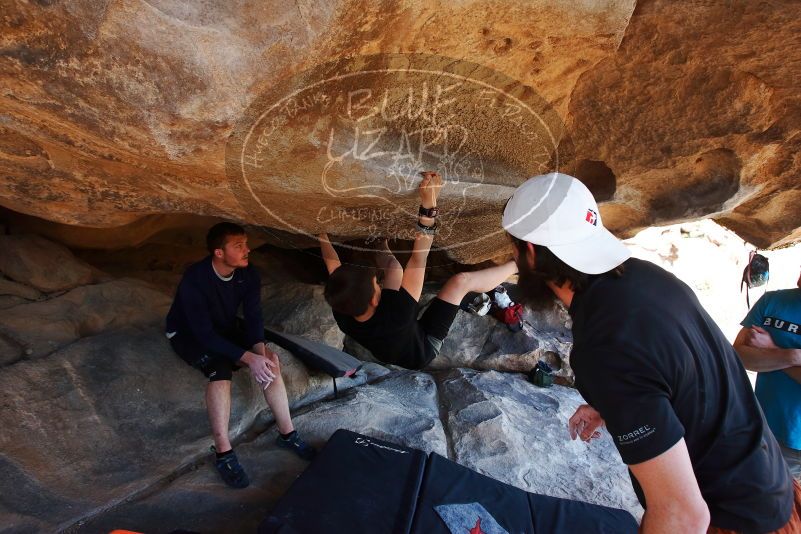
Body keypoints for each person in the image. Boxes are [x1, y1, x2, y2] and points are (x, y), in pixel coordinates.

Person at [502, 172, 799, 533]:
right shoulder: (647, 278)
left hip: (736, 521)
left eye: (514, 249)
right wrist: (617, 404)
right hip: (772, 486)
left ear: (530, 253)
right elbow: (670, 368)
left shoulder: (601, 345)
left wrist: (618, 390)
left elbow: (683, 516)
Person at [166, 222, 315, 489]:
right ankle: (224, 453)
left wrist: (259, 350)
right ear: (219, 253)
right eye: (239, 246)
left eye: (246, 244)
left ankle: (287, 433)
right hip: (187, 333)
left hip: (223, 327)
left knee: (269, 361)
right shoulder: (196, 279)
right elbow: (203, 335)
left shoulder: (248, 274)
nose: (247, 250)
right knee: (220, 369)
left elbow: (254, 317)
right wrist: (247, 358)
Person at [319, 171, 517, 370]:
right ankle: (519, 264)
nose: (378, 284)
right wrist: (429, 203)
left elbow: (333, 267)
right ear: (374, 300)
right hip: (423, 348)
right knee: (460, 282)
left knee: (395, 269)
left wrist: (321, 235)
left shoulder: (342, 308)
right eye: (376, 285)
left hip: (392, 342)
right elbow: (418, 257)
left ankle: (380, 244)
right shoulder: (398, 314)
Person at [734, 265, 801, 480]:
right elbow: (739, 356)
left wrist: (772, 350)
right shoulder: (771, 302)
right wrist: (793, 357)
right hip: (768, 430)